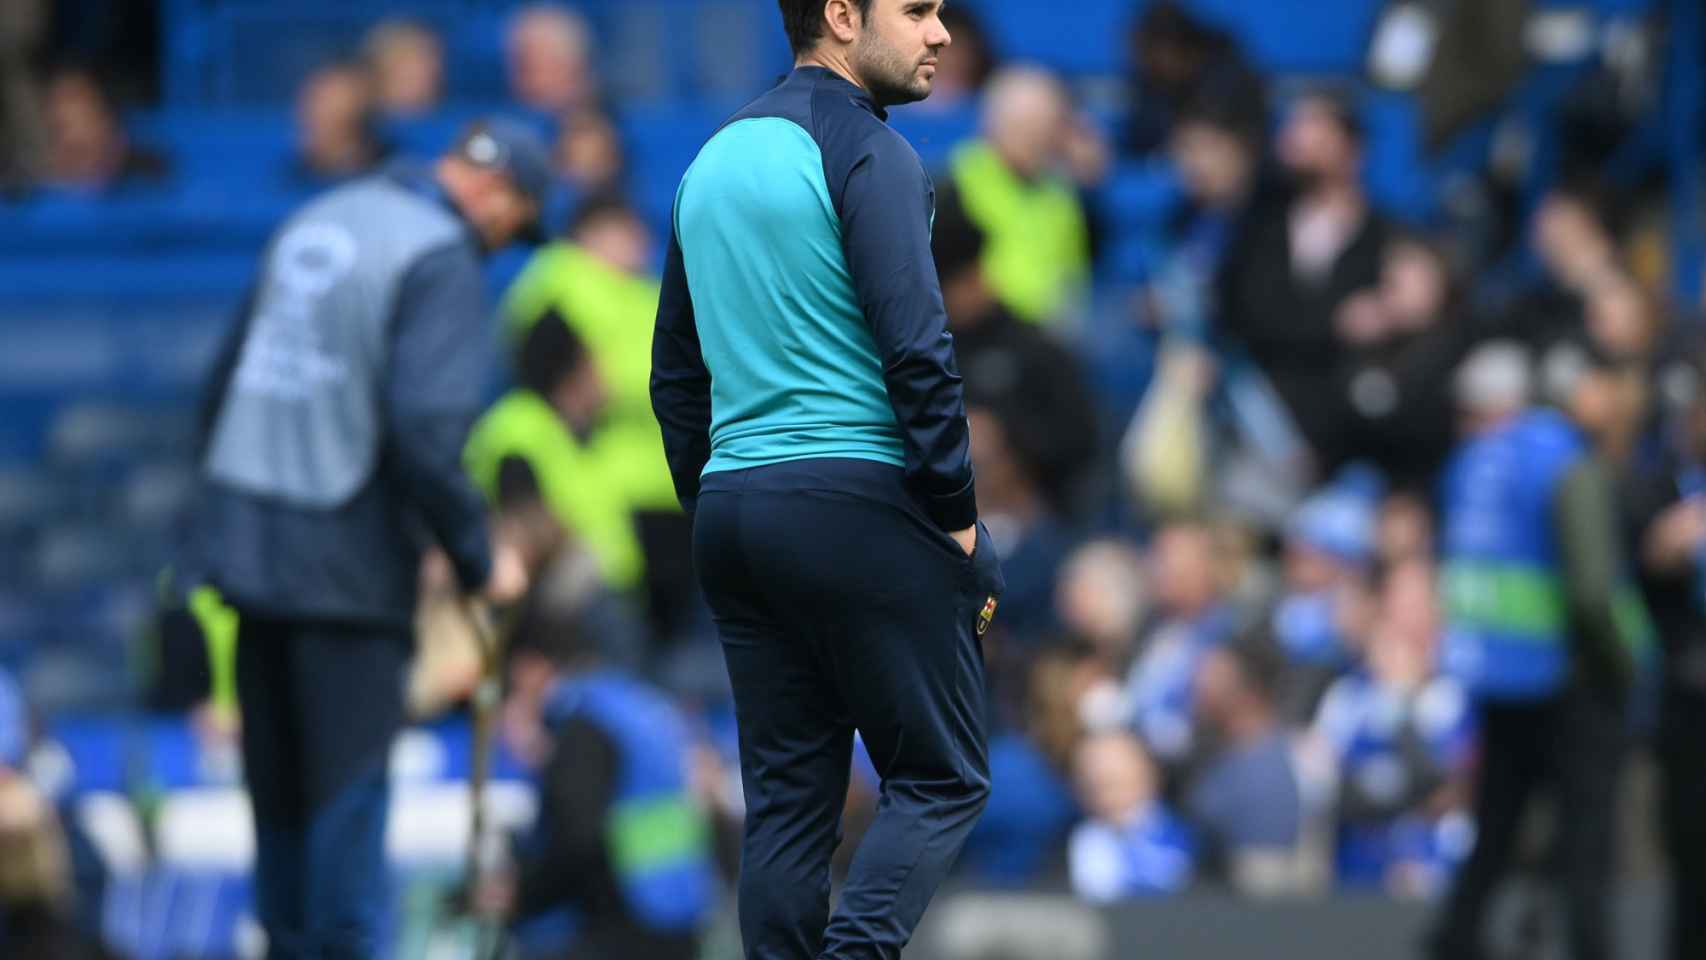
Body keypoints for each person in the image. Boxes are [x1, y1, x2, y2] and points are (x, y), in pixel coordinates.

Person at [650, 2, 1002, 957]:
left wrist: (725, 501)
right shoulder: (871, 151)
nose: (940, 33)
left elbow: (674, 379)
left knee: (789, 810)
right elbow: (918, 351)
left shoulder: (711, 158)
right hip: (857, 500)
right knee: (942, 777)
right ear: (842, 15)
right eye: (918, 9)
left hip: (735, 514)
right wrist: (959, 519)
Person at [187, 119, 545, 958]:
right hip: (346, 577)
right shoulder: (440, 255)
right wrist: (477, 556)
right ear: (496, 196)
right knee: (343, 851)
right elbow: (426, 429)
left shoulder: (321, 216)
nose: (499, 246)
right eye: (513, 226)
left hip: (249, 557)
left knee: (278, 826)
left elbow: (222, 389)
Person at [1426, 340, 1646, 960]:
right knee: (1586, 831)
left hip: (1496, 668)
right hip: (1568, 674)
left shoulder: (1469, 463)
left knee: (1496, 821)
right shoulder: (1564, 462)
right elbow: (1595, 589)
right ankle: (1589, 946)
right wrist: (1629, 663)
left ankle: (1455, 936)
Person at [475, 609, 716, 958]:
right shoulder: (641, 703)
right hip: (679, 920)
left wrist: (520, 896)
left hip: (626, 925)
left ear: (530, 669)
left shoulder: (584, 723)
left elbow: (578, 840)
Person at [1218, 90, 1391, 474]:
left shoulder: (1387, 237)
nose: (1295, 135)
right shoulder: (1258, 229)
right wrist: (1336, 322)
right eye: (1293, 125)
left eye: (1312, 125)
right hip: (1268, 423)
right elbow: (1250, 315)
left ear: (1351, 147)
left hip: (1354, 432)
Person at [1628, 346, 1706, 960]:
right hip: (1685, 693)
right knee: (1687, 853)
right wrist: (1666, 542)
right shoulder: (1658, 483)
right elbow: (1644, 555)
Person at [947, 67, 1093, 326]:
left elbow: (1073, 277)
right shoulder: (955, 183)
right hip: (979, 329)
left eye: (1043, 127)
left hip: (1051, 332)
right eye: (1024, 127)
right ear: (993, 124)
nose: (1034, 139)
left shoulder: (1062, 193)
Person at [1068, 730, 1195, 902]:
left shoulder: (1193, 839)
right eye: (1091, 781)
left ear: (1149, 774)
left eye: (1114, 780)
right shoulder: (1064, 843)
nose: (1104, 793)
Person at [288, 61, 389, 188]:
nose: (313, 113)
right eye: (312, 100)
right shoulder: (290, 178)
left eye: (329, 103)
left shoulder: (395, 175)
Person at [506, 4, 599, 117]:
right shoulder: (502, 124)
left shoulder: (603, 123)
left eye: (529, 66)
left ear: (571, 65)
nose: (518, 76)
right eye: (516, 63)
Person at [362, 18, 444, 117]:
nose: (433, 68)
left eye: (434, 57)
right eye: (414, 57)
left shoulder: (456, 122)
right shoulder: (357, 121)